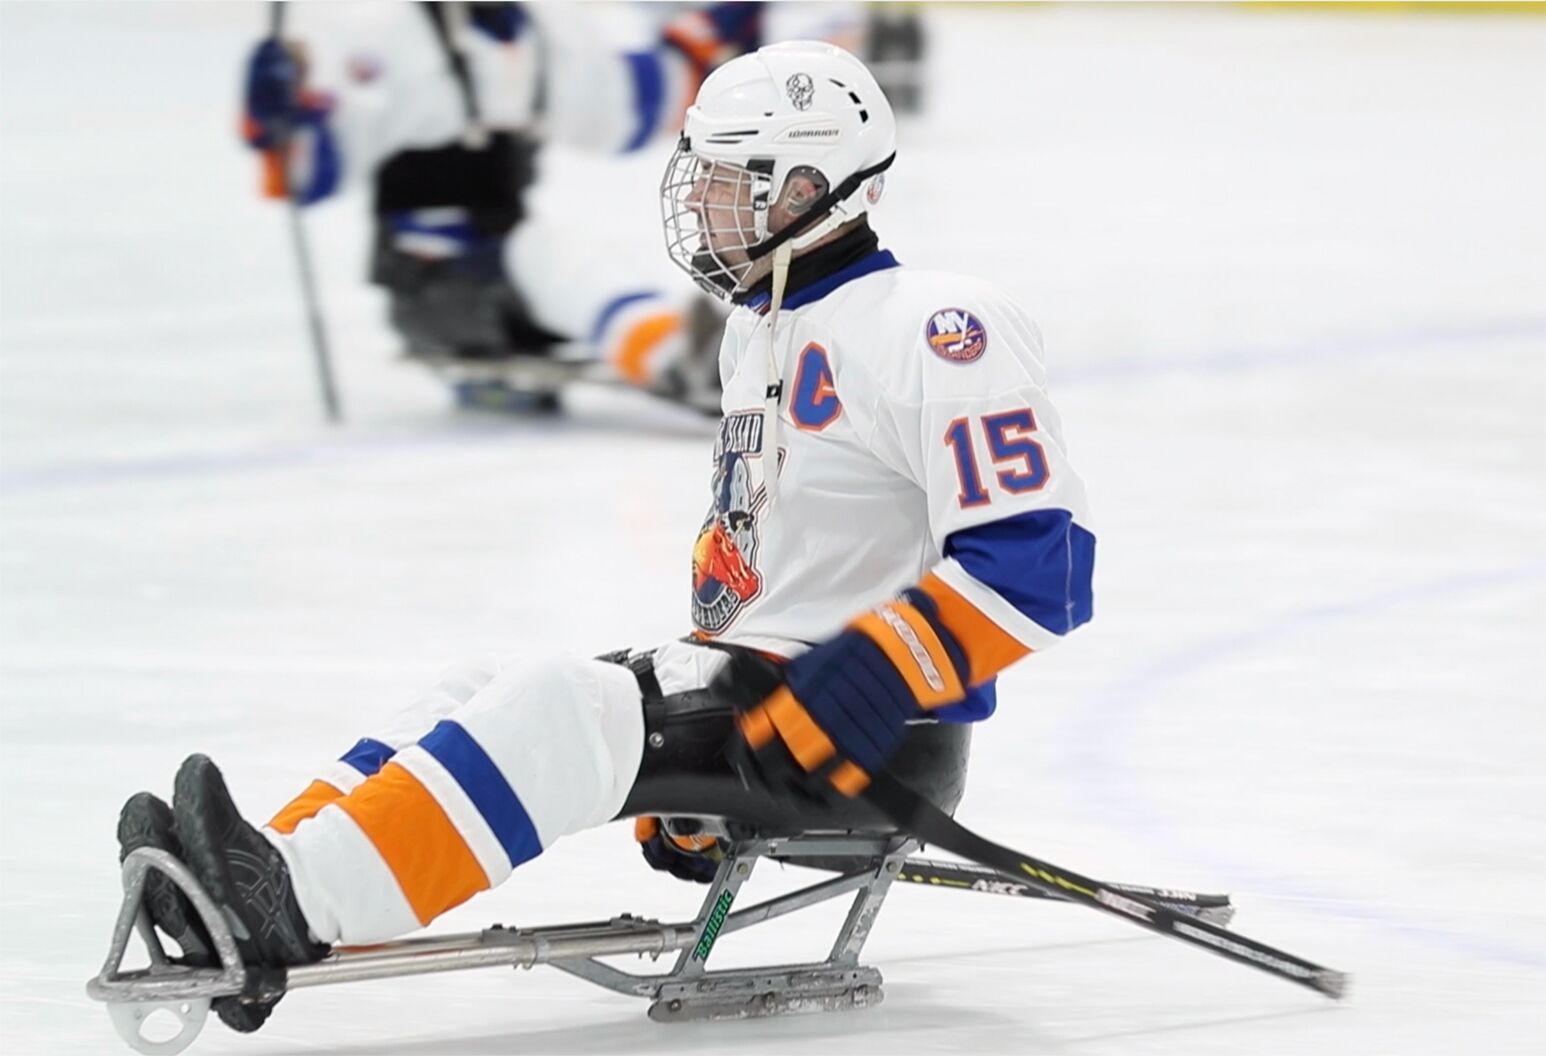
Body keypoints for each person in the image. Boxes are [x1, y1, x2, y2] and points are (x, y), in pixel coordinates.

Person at [120, 41, 1095, 1034]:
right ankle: (265, 865)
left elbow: (1037, 566)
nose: (702, 205)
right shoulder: (756, 328)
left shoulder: (931, 325)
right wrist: (691, 757)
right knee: (475, 689)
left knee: (563, 705)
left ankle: (296, 907)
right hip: (769, 694)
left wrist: (870, 681)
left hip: (873, 736)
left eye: (729, 184)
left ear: (809, 187)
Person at [245, 1, 765, 412]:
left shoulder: (537, 26)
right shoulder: (383, 30)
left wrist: (706, 40)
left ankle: (685, 345)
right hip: (427, 285)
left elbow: (624, 104)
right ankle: (679, 358)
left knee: (551, 251)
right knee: (552, 254)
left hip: (503, 276)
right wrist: (281, 120)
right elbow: (309, 170)